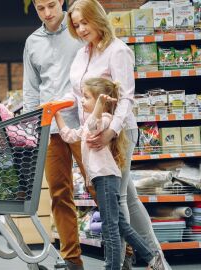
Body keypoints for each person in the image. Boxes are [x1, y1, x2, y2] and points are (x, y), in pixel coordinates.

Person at [65, 0, 171, 269]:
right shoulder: (81, 54)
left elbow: (125, 98)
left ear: (97, 18)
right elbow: (77, 94)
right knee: (130, 199)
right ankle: (156, 260)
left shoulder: (118, 51)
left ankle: (122, 263)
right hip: (94, 135)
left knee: (118, 199)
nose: (80, 29)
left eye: (85, 22)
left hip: (118, 131)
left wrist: (111, 131)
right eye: (76, 25)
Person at [54, 77, 165, 270]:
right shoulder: (91, 120)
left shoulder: (105, 119)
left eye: (86, 97)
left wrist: (98, 106)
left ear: (100, 102)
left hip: (106, 179)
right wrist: (56, 115)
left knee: (110, 228)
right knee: (120, 225)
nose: (82, 101)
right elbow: (70, 135)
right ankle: (152, 258)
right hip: (102, 179)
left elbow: (92, 126)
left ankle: (113, 266)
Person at [22, 0, 85, 269]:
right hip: (51, 128)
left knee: (100, 189)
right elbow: (31, 90)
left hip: (85, 123)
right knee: (60, 194)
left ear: (61, 1)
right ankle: (72, 260)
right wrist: (32, 131)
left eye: (51, 5)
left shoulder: (79, 30)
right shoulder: (32, 42)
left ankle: (123, 250)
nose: (47, 13)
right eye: (40, 8)